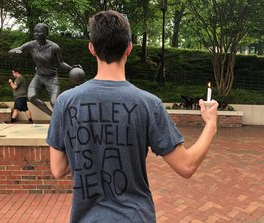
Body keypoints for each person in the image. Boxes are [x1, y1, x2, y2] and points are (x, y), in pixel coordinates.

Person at [47, 10, 218, 223]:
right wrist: (210, 125)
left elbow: (58, 169)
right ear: (129, 47)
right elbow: (187, 166)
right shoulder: (148, 104)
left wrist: (91, 144)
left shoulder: (66, 102)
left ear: (92, 48)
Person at [9, 23, 73, 116]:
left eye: (39, 32)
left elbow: (61, 63)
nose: (36, 34)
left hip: (51, 77)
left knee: (54, 102)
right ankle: (52, 115)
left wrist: (72, 68)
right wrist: (15, 52)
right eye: (35, 31)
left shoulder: (54, 47)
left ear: (46, 33)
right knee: (31, 96)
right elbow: (18, 49)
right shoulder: (31, 45)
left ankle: (66, 117)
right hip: (39, 76)